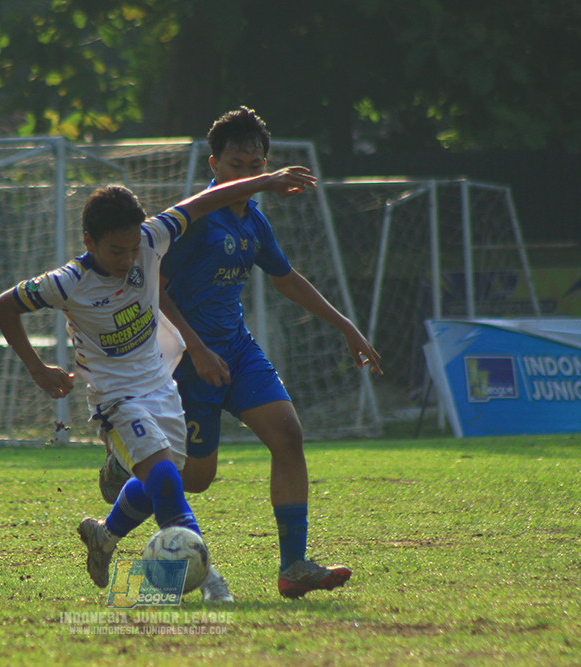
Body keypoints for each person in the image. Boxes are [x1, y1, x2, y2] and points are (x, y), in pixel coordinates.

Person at [0, 167, 317, 604]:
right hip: (115, 398)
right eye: (116, 251)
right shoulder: (68, 282)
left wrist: (264, 181)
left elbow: (203, 202)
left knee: (160, 481)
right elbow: (5, 306)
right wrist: (37, 369)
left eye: (132, 249)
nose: (128, 259)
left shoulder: (152, 237)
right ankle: (208, 578)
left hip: (161, 388)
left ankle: (104, 537)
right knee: (165, 477)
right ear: (89, 242)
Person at [153, 106, 382, 599]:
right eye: (236, 165)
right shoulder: (196, 220)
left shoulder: (254, 221)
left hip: (237, 350)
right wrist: (196, 349)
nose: (247, 175)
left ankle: (294, 566)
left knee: (288, 435)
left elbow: (286, 279)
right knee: (197, 479)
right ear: (213, 164)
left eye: (255, 166)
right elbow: (155, 290)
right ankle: (128, 467)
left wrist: (346, 326)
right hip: (192, 362)